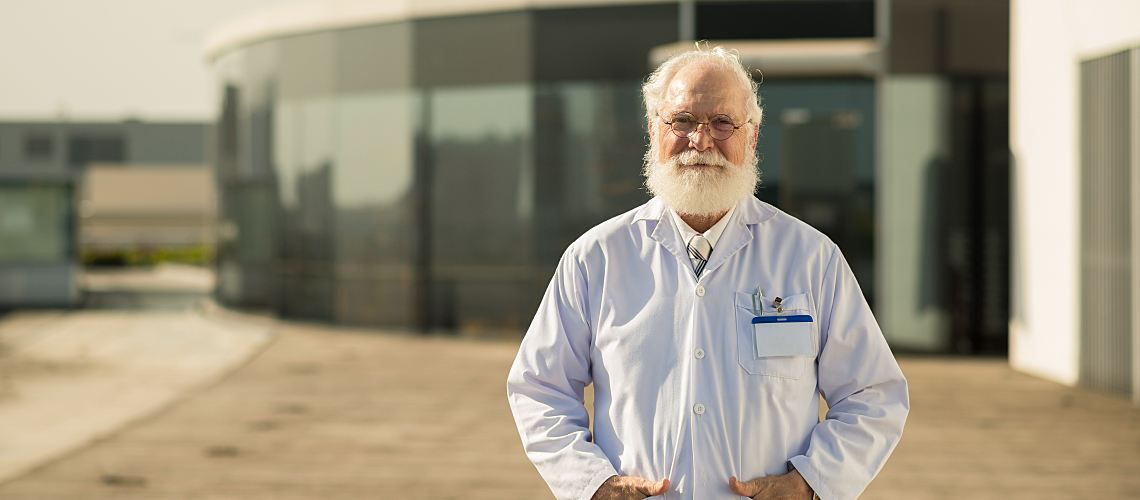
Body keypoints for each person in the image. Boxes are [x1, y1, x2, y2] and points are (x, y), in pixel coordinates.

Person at [506, 46, 909, 500]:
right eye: (682, 121)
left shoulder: (811, 258)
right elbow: (539, 388)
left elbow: (874, 395)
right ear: (654, 130)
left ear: (752, 138)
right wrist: (591, 483)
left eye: (722, 123)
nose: (701, 141)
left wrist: (813, 483)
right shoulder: (595, 258)